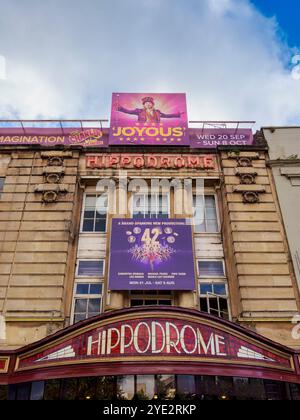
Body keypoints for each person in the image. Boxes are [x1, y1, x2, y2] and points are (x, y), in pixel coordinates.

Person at [116, 96, 184, 123]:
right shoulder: (139, 111)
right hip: (143, 130)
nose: (148, 104)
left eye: (149, 103)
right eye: (146, 103)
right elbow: (128, 111)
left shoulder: (157, 112)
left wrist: (178, 115)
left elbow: (167, 116)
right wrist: (120, 108)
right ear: (144, 105)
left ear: (152, 104)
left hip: (156, 130)